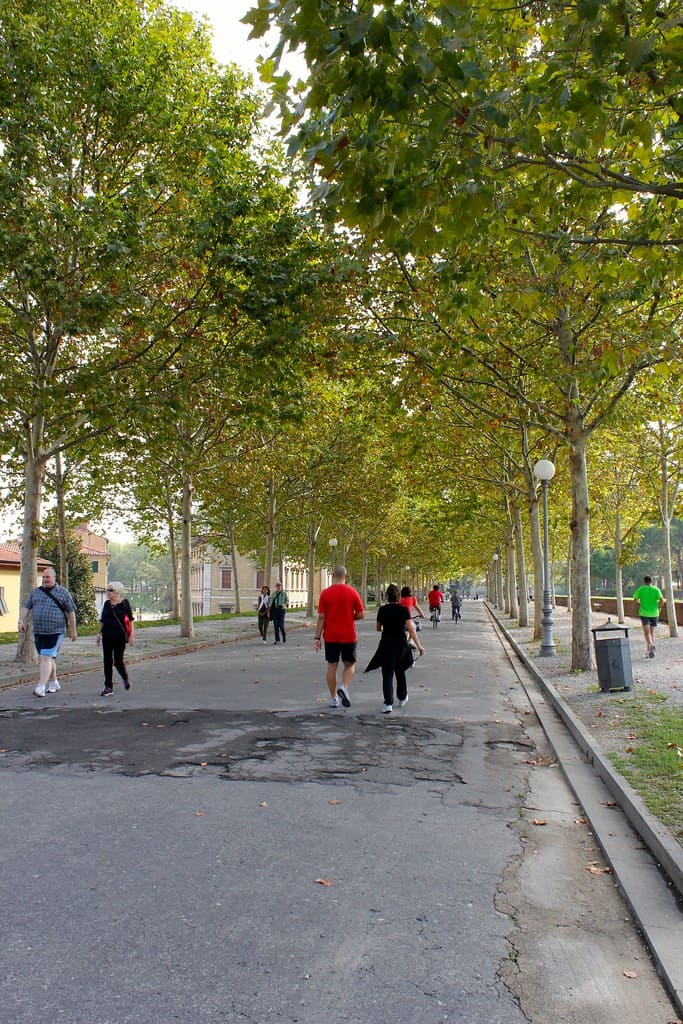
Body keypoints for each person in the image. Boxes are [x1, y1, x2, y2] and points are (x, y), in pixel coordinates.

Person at [18, 566, 78, 698]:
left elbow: (71, 612)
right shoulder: (36, 592)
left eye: (48, 577)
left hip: (55, 632)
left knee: (45, 657)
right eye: (43, 577)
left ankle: (41, 686)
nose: (45, 579)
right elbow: (25, 607)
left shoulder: (63, 593)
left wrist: (73, 630)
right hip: (39, 632)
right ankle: (54, 682)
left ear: (54, 578)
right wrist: (21, 620)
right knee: (47, 658)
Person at [366, 584, 425, 713]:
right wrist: (419, 646)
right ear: (398, 596)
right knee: (400, 671)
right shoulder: (403, 610)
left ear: (387, 596)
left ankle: (388, 704)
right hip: (401, 645)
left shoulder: (382, 610)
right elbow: (411, 629)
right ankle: (402, 697)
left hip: (386, 645)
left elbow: (378, 628)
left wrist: (386, 627)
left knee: (387, 674)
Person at [313, 565, 364, 708]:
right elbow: (361, 614)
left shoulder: (325, 594)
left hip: (330, 635)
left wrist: (317, 638)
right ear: (345, 576)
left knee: (332, 666)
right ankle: (344, 687)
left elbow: (321, 617)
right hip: (348, 635)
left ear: (333, 575)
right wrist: (350, 617)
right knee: (350, 664)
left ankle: (333, 698)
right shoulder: (353, 592)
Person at [96, 581, 135, 695]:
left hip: (119, 637)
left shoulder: (124, 603)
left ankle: (125, 678)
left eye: (110, 590)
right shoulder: (107, 604)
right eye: (107, 590)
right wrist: (98, 634)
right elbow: (102, 620)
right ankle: (108, 686)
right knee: (107, 661)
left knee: (118, 661)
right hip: (107, 636)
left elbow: (130, 620)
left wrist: (132, 635)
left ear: (117, 591)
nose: (108, 592)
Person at [632, 575, 664, 658]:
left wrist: (640, 604)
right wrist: (659, 607)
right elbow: (662, 600)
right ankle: (650, 650)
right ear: (652, 581)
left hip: (644, 613)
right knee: (651, 632)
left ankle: (650, 645)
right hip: (654, 613)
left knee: (646, 632)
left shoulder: (641, 589)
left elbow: (635, 600)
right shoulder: (656, 589)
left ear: (644, 581)